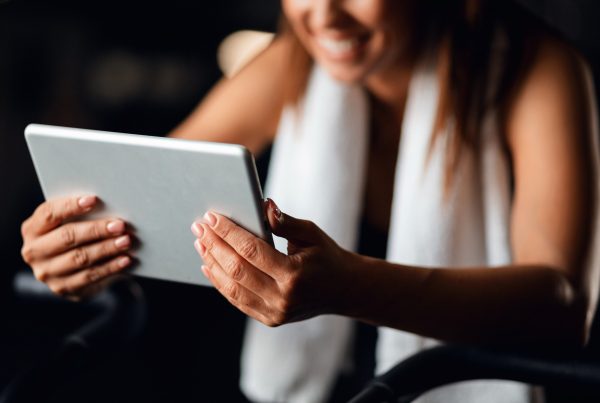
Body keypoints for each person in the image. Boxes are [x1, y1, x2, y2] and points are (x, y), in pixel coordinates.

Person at [19, 0, 599, 402]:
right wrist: (74, 245)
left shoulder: (536, 69)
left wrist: (350, 285)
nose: (322, 17)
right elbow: (141, 191)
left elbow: (562, 307)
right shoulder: (294, 59)